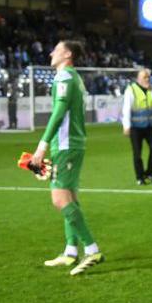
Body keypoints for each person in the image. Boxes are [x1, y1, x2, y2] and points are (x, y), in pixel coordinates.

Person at [34, 40, 103, 275]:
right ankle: (71, 251)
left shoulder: (64, 77)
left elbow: (59, 110)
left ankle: (92, 249)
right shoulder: (74, 77)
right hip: (71, 144)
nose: (52, 52)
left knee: (60, 199)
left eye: (57, 48)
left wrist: (41, 146)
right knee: (70, 197)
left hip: (65, 145)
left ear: (68, 54)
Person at [121, 68, 152, 185]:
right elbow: (126, 109)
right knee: (137, 153)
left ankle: (149, 173)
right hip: (136, 127)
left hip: (150, 126)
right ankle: (140, 177)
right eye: (145, 77)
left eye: (148, 77)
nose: (147, 79)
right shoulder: (131, 90)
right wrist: (126, 126)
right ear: (138, 79)